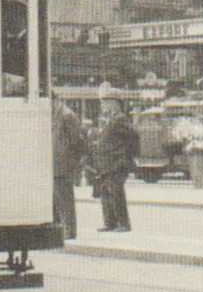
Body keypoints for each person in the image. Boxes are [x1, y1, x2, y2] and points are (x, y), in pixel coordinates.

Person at [96, 96, 140, 232]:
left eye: (105, 103)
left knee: (116, 192)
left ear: (114, 104)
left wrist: (124, 154)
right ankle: (110, 222)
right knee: (106, 192)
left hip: (117, 162)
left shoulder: (119, 118)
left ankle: (123, 223)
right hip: (107, 163)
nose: (103, 105)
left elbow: (133, 136)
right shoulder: (110, 119)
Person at [52, 97, 86, 240]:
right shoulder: (55, 115)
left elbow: (76, 141)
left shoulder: (67, 116)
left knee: (65, 199)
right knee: (57, 199)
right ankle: (61, 229)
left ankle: (69, 231)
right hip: (55, 164)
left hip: (64, 164)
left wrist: (74, 162)